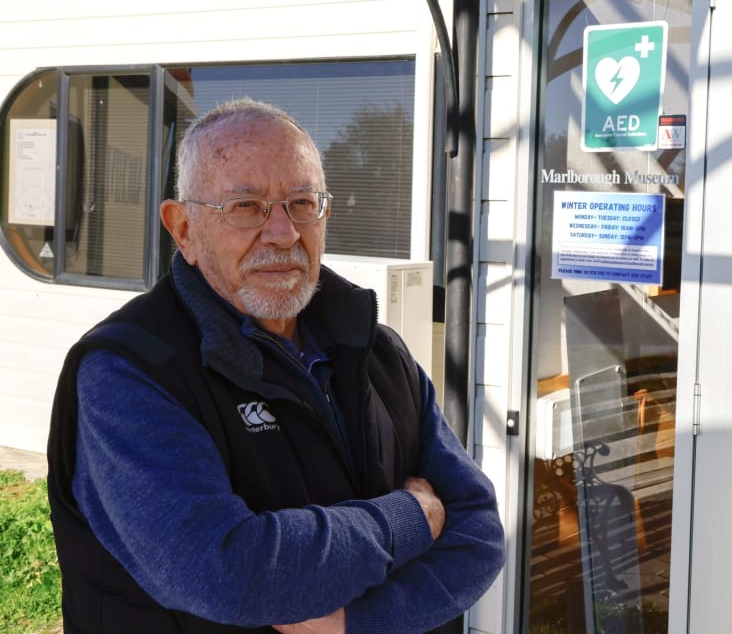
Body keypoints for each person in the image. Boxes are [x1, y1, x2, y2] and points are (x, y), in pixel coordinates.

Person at [46, 98, 506, 634]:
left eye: (302, 202)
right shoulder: (129, 372)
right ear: (184, 230)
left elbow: (478, 529)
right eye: (246, 206)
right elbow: (224, 571)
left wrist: (360, 622)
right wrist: (410, 517)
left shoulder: (377, 350)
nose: (284, 233)